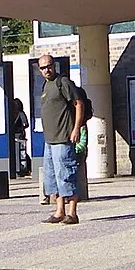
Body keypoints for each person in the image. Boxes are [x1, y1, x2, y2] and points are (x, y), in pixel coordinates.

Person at [39, 58, 89, 224]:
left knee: (66, 174)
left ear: (54, 66)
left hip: (63, 138)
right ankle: (59, 211)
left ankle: (72, 213)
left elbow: (78, 104)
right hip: (49, 140)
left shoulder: (63, 82)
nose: (47, 70)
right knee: (52, 178)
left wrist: (76, 128)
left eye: (49, 67)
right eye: (43, 68)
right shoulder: (46, 86)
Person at [8, 96, 31, 177]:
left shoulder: (21, 114)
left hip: (19, 135)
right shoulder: (9, 113)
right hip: (12, 135)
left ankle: (23, 168)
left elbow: (26, 124)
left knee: (21, 153)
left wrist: (20, 128)